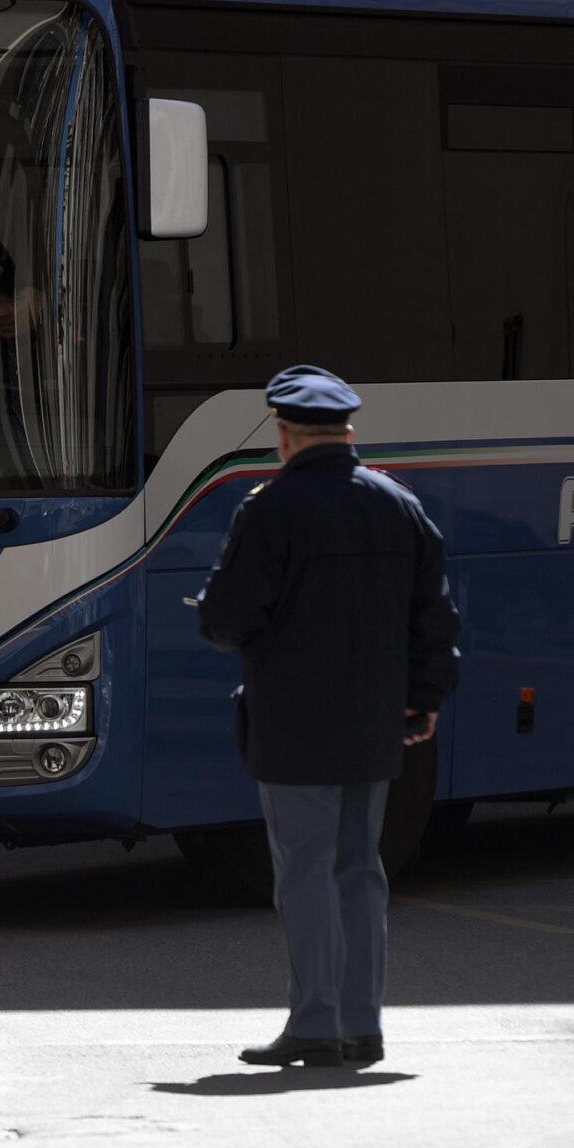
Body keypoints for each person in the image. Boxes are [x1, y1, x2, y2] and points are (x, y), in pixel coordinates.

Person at [197, 365, 460, 1070]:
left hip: (292, 725)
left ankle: (317, 1022)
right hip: (374, 721)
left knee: (306, 871)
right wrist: (425, 698)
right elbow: (435, 616)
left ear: (283, 436)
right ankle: (362, 1025)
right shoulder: (397, 505)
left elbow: (227, 621)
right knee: (360, 870)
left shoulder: (270, 508)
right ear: (350, 432)